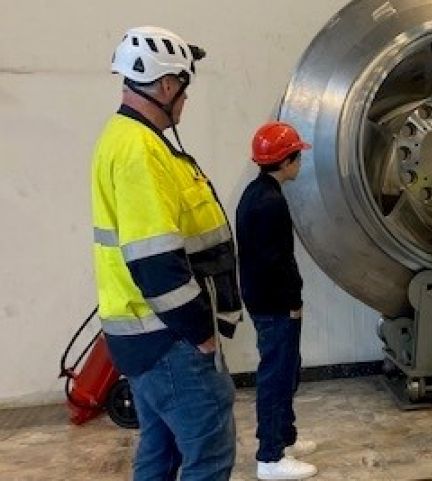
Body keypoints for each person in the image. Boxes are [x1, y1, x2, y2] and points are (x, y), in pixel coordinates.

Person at [91, 26, 242, 480]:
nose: (185, 101)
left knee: (159, 452)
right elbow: (154, 261)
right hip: (169, 339)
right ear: (167, 84)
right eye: (184, 88)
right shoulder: (140, 151)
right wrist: (200, 334)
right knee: (209, 458)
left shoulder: (128, 139)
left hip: (146, 338)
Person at [236, 121, 317, 480]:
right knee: (277, 376)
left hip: (264, 301)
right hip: (275, 305)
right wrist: (293, 301)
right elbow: (277, 262)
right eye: (297, 157)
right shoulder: (270, 204)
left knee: (285, 371)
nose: (299, 163)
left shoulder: (256, 193)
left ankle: (284, 437)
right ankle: (270, 458)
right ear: (287, 161)